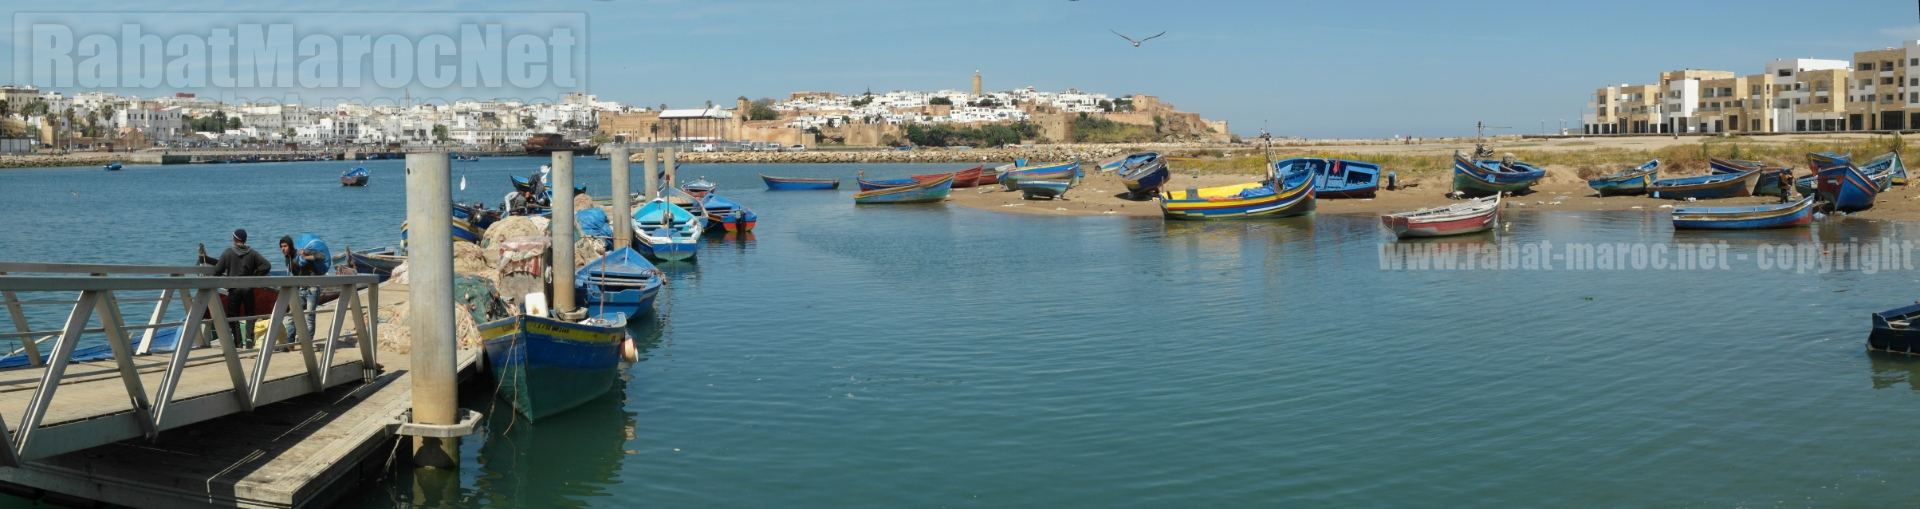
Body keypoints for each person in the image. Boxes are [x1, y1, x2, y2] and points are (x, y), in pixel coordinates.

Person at [199, 229, 270, 347]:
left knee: (234, 317)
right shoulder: (252, 253)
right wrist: (255, 277)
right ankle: (249, 339)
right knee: (250, 315)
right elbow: (266, 265)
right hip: (248, 289)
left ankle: (238, 343)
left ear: (234, 239)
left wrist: (214, 277)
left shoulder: (228, 253)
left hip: (234, 290)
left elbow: (218, 270)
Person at [279, 234, 331, 341]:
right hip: (301, 290)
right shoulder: (287, 261)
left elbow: (321, 256)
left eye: (285, 246)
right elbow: (296, 276)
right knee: (291, 316)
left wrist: (306, 256)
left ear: (290, 246)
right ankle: (290, 342)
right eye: (281, 246)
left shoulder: (301, 251)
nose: (283, 249)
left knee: (309, 318)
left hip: (312, 288)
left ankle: (307, 344)